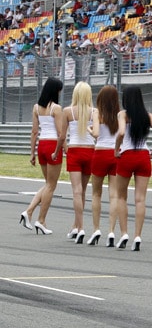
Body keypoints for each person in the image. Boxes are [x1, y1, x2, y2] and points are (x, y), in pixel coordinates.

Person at [114, 86, 152, 251]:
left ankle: (124, 233)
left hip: (127, 155)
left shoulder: (123, 114)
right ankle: (138, 236)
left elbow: (120, 133)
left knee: (121, 197)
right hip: (143, 156)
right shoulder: (147, 116)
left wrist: (116, 149)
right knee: (140, 199)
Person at [20, 78, 64, 235]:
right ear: (55, 91)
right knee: (51, 186)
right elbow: (60, 133)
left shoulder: (36, 108)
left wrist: (32, 152)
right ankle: (41, 220)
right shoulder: (56, 108)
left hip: (41, 146)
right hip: (52, 145)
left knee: (47, 184)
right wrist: (62, 149)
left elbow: (34, 132)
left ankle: (29, 211)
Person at [57, 82, 95, 244]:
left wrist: (56, 151)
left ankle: (80, 228)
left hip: (74, 151)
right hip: (90, 151)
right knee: (83, 191)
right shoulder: (94, 112)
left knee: (76, 191)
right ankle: (76, 225)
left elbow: (62, 136)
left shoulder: (67, 111)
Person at [89, 85, 120, 247]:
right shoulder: (119, 115)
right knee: (114, 194)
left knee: (96, 194)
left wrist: (88, 129)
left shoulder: (97, 113)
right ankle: (112, 231)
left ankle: (96, 229)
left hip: (100, 153)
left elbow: (95, 133)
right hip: (115, 154)